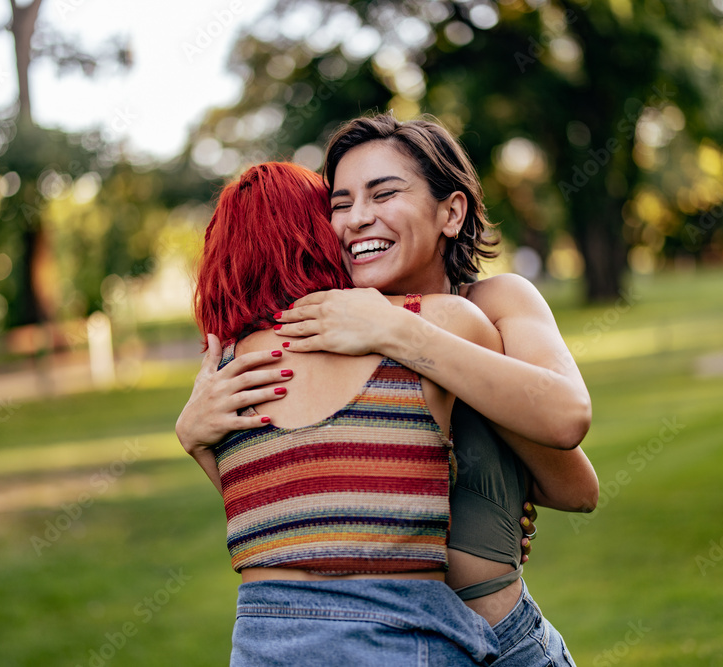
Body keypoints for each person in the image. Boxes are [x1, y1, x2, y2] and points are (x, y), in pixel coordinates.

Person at [178, 113, 598, 666]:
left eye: (384, 194)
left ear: (451, 212)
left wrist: (399, 333)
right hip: (398, 630)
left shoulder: (495, 304)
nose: (357, 219)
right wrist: (197, 437)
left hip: (493, 632)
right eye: (340, 203)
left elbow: (575, 476)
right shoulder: (321, 333)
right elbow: (302, 519)